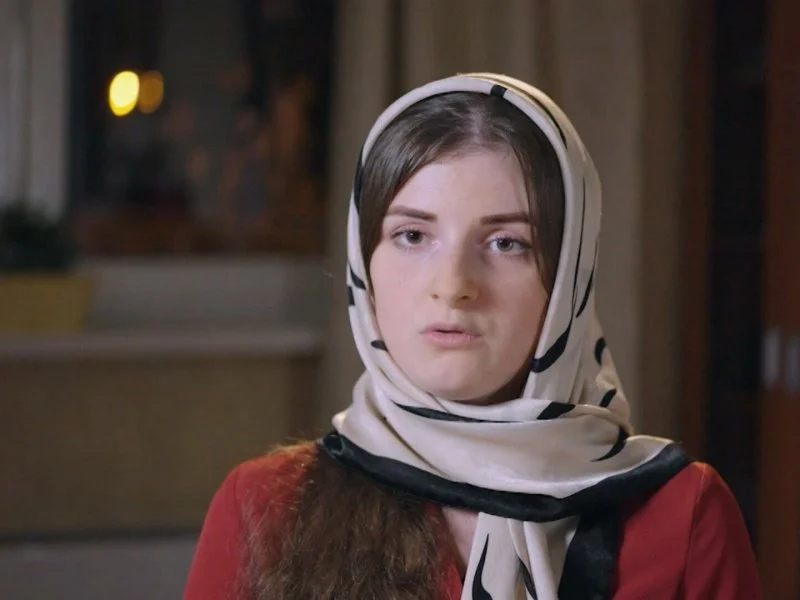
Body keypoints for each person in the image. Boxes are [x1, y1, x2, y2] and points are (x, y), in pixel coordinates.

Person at [184, 73, 762, 599]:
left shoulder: (682, 516)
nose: (453, 286)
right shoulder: (265, 509)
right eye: (413, 236)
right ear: (365, 265)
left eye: (506, 243)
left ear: (568, 279)